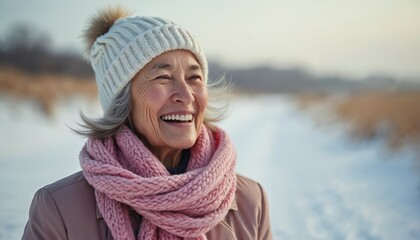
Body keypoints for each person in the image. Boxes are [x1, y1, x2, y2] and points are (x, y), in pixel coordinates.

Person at [22, 6, 272, 240]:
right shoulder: (59, 209)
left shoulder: (251, 201)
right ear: (122, 99)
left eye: (194, 77)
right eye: (163, 77)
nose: (185, 95)